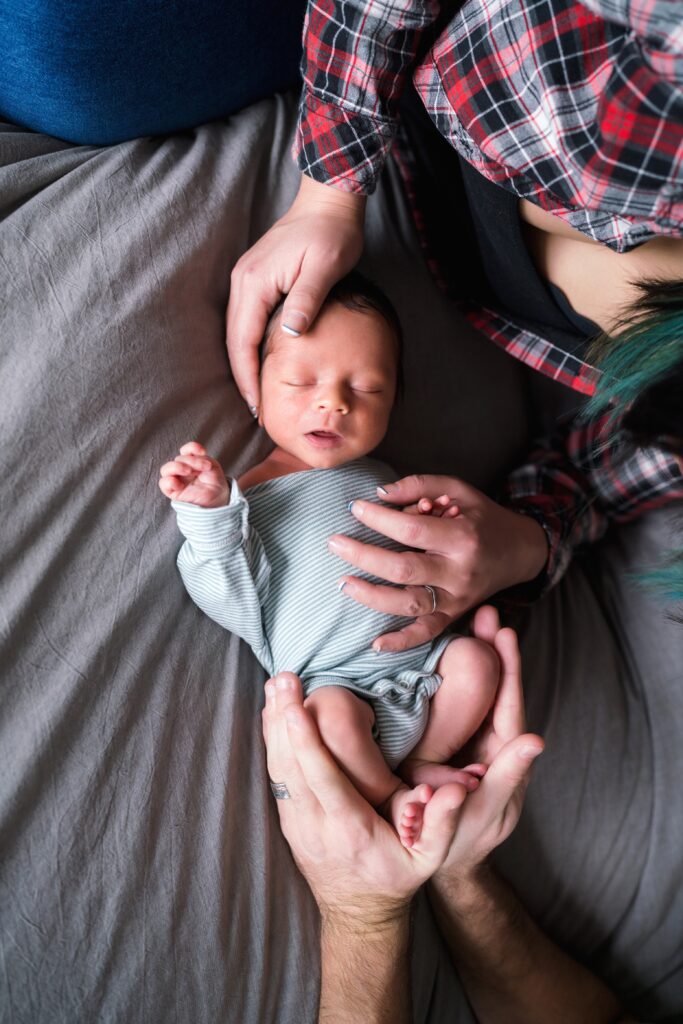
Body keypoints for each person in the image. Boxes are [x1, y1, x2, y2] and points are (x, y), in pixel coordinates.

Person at [226, 0, 683, 646]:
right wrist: (328, 190)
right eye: (301, 383)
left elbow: (604, 476)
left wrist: (522, 545)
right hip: (372, 50)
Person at [158, 273, 503, 843]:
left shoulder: (390, 479)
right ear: (256, 385)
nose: (333, 402)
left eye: (366, 389)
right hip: (335, 683)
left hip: (422, 668)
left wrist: (432, 528)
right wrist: (209, 512)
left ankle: (424, 759)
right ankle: (393, 796)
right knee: (333, 718)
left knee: (476, 662)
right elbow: (225, 590)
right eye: (300, 380)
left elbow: (434, 568)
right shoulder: (251, 498)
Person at [262, 606, 637, 1024]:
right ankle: (413, 775)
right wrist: (458, 868)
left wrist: (366, 916)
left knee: (335, 716)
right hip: (399, 675)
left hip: (363, 690)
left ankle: (398, 789)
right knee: (477, 662)